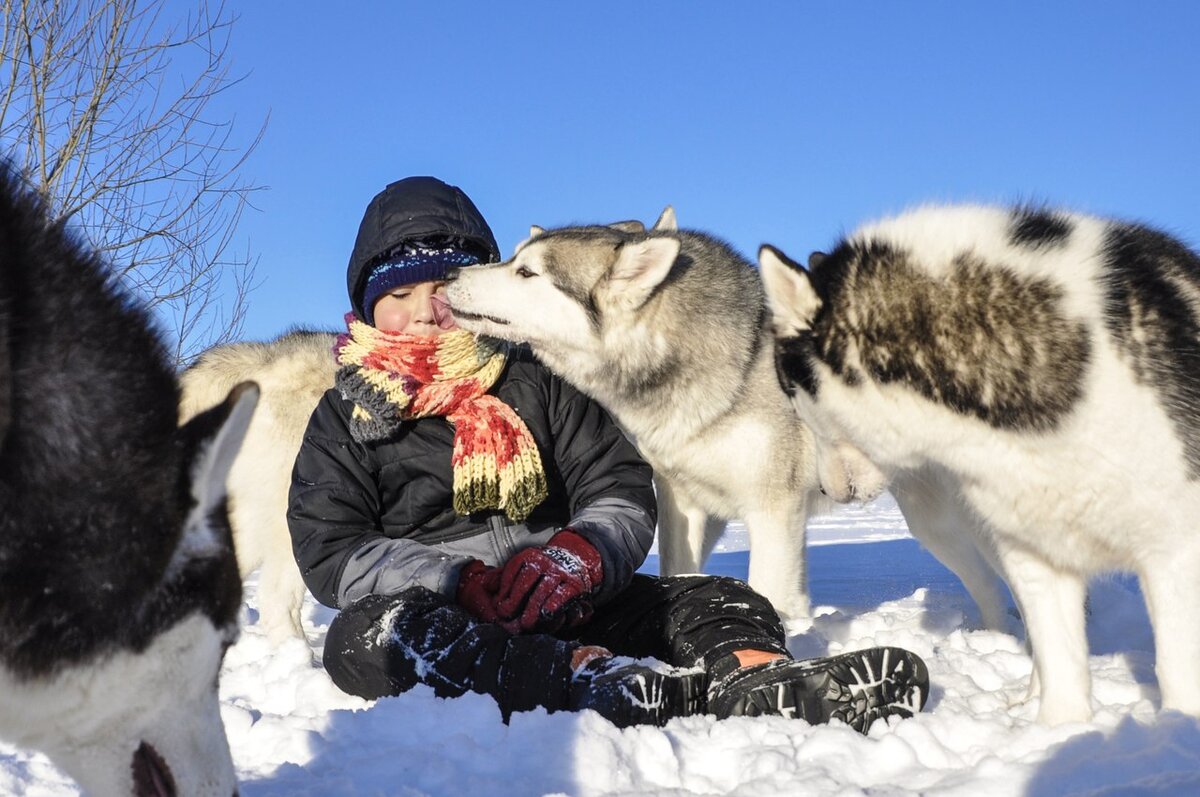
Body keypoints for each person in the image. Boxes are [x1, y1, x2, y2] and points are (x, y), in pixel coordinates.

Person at [287, 176, 929, 730]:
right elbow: (331, 548)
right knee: (366, 642)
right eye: (398, 296)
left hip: (570, 596)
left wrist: (582, 554)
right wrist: (457, 581)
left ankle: (759, 678)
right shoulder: (346, 415)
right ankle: (582, 680)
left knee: (715, 597)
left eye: (439, 291)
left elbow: (616, 485)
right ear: (369, 307)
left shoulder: (537, 380)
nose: (424, 313)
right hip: (450, 609)